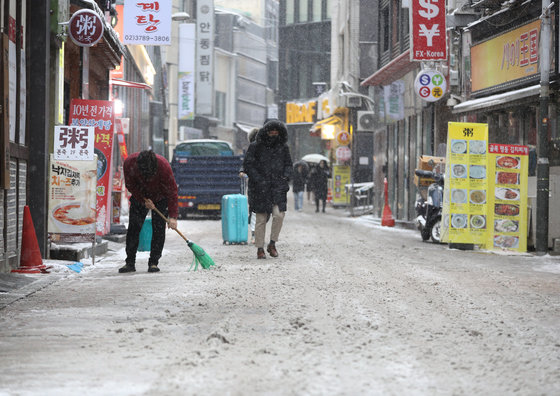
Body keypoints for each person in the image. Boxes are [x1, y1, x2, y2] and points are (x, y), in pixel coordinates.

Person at [119, 150, 178, 273]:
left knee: (158, 229)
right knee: (134, 228)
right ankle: (130, 262)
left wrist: (173, 217)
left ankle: (153, 262)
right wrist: (143, 199)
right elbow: (130, 185)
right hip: (140, 195)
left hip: (160, 197)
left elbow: (172, 191)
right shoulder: (129, 163)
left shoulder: (163, 166)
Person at [243, 119, 293, 259]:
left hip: (278, 187)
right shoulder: (256, 146)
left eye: (276, 132)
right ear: (266, 131)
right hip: (260, 188)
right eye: (271, 131)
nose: (274, 134)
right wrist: (258, 179)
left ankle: (272, 243)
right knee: (260, 219)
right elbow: (248, 165)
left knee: (279, 215)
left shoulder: (283, 147)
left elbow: (289, 164)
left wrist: (285, 177)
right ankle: (260, 248)